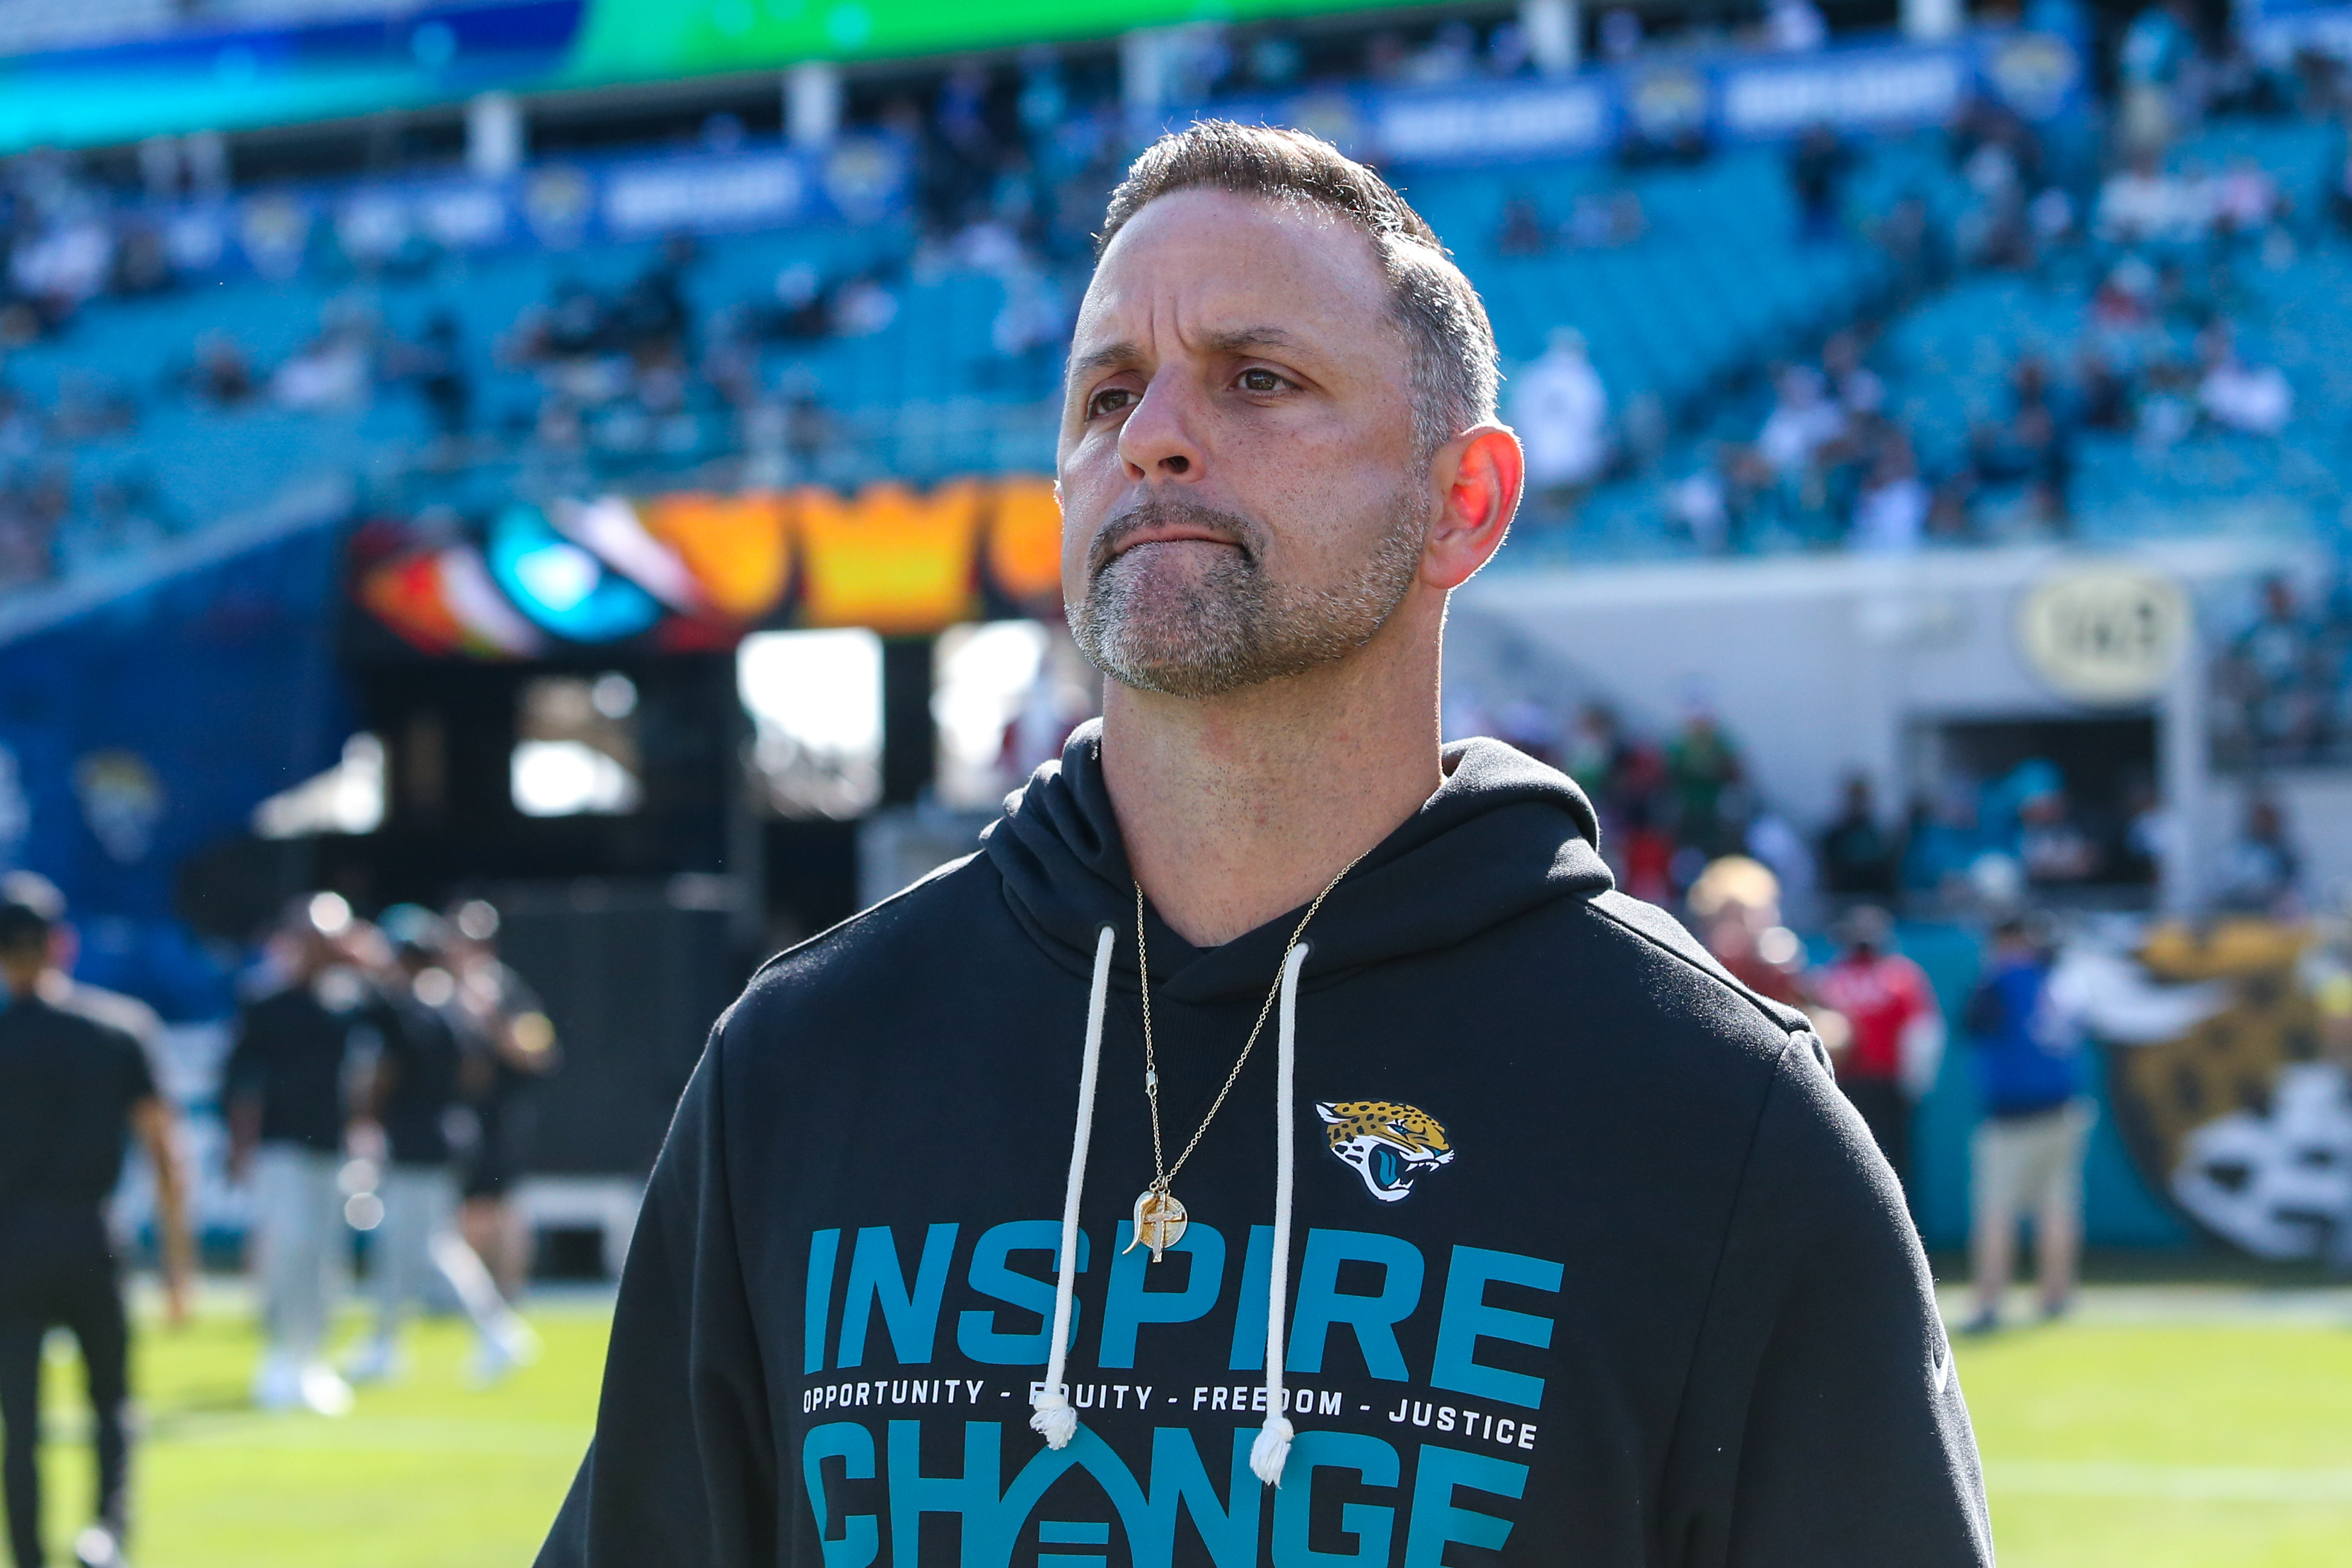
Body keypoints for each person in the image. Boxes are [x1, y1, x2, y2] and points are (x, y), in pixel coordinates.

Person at [539, 121, 1990, 1567]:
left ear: (1462, 503)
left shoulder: (1716, 1113)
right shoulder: (805, 1058)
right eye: (1108, 391)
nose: (1153, 432)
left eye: (1258, 379)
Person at [0, 888, 192, 1568]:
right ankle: (108, 1531)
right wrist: (178, 1267)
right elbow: (165, 1152)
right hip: (91, 1235)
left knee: (18, 1423)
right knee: (110, 1400)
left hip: (11, 1248)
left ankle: (27, 1555)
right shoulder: (119, 1028)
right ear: (62, 944)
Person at [345, 907, 538, 1387]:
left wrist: (370, 1117)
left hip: (417, 1138)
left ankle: (497, 1329)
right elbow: (474, 1073)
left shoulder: (410, 1009)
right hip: (451, 1129)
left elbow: (384, 1075)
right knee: (405, 1246)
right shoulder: (454, 1006)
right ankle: (385, 1344)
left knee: (431, 1245)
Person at [223, 894, 364, 1416]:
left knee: (325, 1256)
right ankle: (281, 1355)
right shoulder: (265, 1002)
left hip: (332, 1147)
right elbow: (241, 1081)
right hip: (280, 1147)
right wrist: (240, 1146)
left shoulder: (348, 1002)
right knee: (290, 1247)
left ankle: (311, 1359)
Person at [1961, 916, 2090, 1332]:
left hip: (2012, 1114)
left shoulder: (2000, 980)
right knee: (2057, 1208)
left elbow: (1971, 1023)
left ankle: (1989, 1301)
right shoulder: (2064, 981)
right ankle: (2056, 1294)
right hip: (2063, 1107)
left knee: (1997, 1210)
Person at [444, 900, 560, 1303]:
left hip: (501, 1114)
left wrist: (492, 1017)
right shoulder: (441, 990)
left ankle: (504, 1297)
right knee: (461, 1211)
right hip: (457, 1115)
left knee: (501, 1209)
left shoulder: (508, 990)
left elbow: (539, 1052)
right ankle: (471, 1301)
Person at [1813, 905, 1945, 1187]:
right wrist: (1915, 1088)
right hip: (1889, 1088)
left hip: (1842, 1089)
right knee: (1896, 1169)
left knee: (1846, 1168)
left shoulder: (1830, 979)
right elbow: (1924, 1037)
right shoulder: (1900, 977)